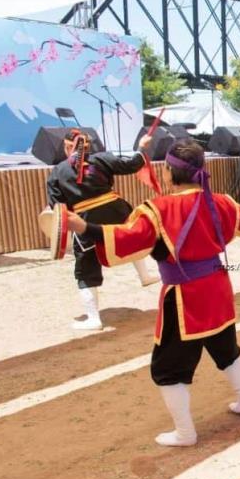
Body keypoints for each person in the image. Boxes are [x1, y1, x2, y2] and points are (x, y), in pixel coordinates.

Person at [64, 138, 240, 446]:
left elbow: (128, 239)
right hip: (218, 289)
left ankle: (185, 433)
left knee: (167, 368)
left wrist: (84, 227)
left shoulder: (158, 210)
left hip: (184, 298)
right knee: (226, 349)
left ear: (170, 173)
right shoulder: (221, 201)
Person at [46, 129, 159, 330]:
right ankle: (145, 276)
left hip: (87, 220)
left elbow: (59, 207)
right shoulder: (102, 159)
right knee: (128, 238)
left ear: (66, 147)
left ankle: (93, 318)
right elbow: (133, 164)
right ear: (88, 146)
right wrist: (142, 146)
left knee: (86, 267)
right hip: (116, 210)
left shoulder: (58, 172)